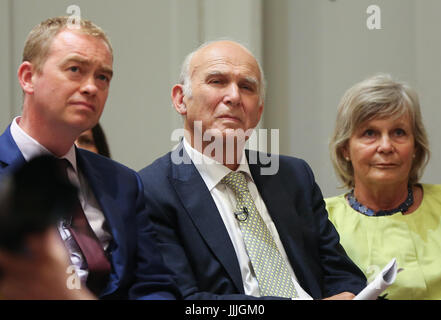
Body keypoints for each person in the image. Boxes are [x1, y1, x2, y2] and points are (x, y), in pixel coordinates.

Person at [138, 40, 366, 300]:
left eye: (246, 87)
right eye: (217, 81)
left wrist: (348, 294)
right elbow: (187, 301)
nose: (234, 96)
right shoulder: (151, 190)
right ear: (181, 100)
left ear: (258, 111)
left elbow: (342, 272)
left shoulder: (293, 177)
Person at [0, 16, 179, 300]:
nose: (91, 87)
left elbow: (154, 286)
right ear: (28, 77)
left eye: (102, 77)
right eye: (75, 69)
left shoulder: (123, 182)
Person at [326, 74, 441, 299]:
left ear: (415, 146)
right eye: (370, 133)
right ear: (345, 148)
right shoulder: (322, 220)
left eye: (399, 133)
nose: (385, 146)